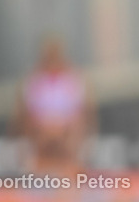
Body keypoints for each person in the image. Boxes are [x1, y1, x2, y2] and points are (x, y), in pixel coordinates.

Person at [14, 36, 95, 174]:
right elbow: (28, 112)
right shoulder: (34, 80)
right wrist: (48, 126)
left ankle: (71, 171)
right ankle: (38, 171)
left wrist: (61, 126)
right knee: (37, 132)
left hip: (67, 128)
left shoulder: (73, 79)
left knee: (75, 129)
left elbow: (80, 110)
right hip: (41, 128)